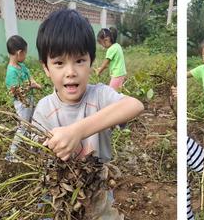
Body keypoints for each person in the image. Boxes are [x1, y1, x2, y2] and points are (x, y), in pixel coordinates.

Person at [32, 9, 144, 163]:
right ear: (46, 68)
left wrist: (77, 131)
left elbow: (135, 105)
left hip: (101, 184)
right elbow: (39, 153)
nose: (70, 72)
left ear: (91, 62)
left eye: (79, 61)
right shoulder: (44, 110)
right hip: (63, 186)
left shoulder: (100, 96)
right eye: (59, 63)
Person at [5, 35, 42, 162]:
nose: (25, 56)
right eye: (25, 53)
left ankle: (33, 148)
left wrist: (34, 83)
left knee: (34, 122)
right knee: (24, 126)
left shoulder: (22, 66)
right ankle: (11, 154)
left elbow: (29, 77)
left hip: (29, 100)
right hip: (22, 104)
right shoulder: (11, 72)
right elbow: (14, 92)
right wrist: (29, 87)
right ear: (19, 52)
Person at [96, 27, 127, 91]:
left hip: (117, 74)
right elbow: (107, 65)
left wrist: (99, 71)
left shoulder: (111, 49)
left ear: (106, 40)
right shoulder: (117, 46)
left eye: (102, 44)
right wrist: (101, 68)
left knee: (111, 92)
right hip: (121, 73)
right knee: (118, 92)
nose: (103, 46)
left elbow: (106, 63)